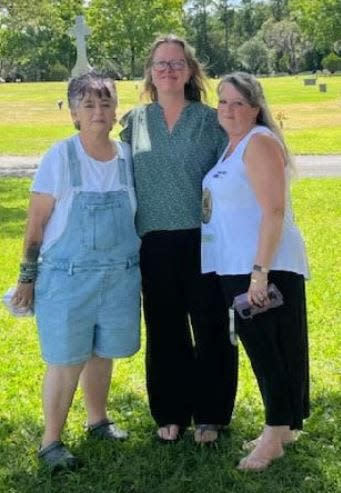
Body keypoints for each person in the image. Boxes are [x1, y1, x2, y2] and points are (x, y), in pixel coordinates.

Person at [11, 71, 141, 470]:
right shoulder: (60, 157)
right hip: (68, 278)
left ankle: (97, 418)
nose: (99, 111)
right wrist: (27, 278)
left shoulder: (126, 156)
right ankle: (51, 442)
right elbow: (35, 224)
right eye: (89, 104)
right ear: (74, 114)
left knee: (102, 353)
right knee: (67, 358)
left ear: (116, 109)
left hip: (119, 276)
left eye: (106, 103)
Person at [120, 34, 238, 443]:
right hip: (153, 242)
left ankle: (211, 414)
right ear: (150, 73)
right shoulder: (134, 122)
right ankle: (170, 413)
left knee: (210, 327)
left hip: (203, 240)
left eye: (176, 63)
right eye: (160, 64)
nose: (168, 69)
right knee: (164, 329)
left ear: (189, 71)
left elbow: (237, 169)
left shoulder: (210, 120)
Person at [201, 72, 310, 471]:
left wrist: (259, 273)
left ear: (255, 108)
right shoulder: (232, 147)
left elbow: (274, 210)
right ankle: (281, 428)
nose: (229, 110)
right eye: (223, 101)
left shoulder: (259, 142)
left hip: (264, 266)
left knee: (270, 351)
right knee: (266, 348)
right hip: (238, 264)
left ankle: (274, 434)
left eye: (238, 103)